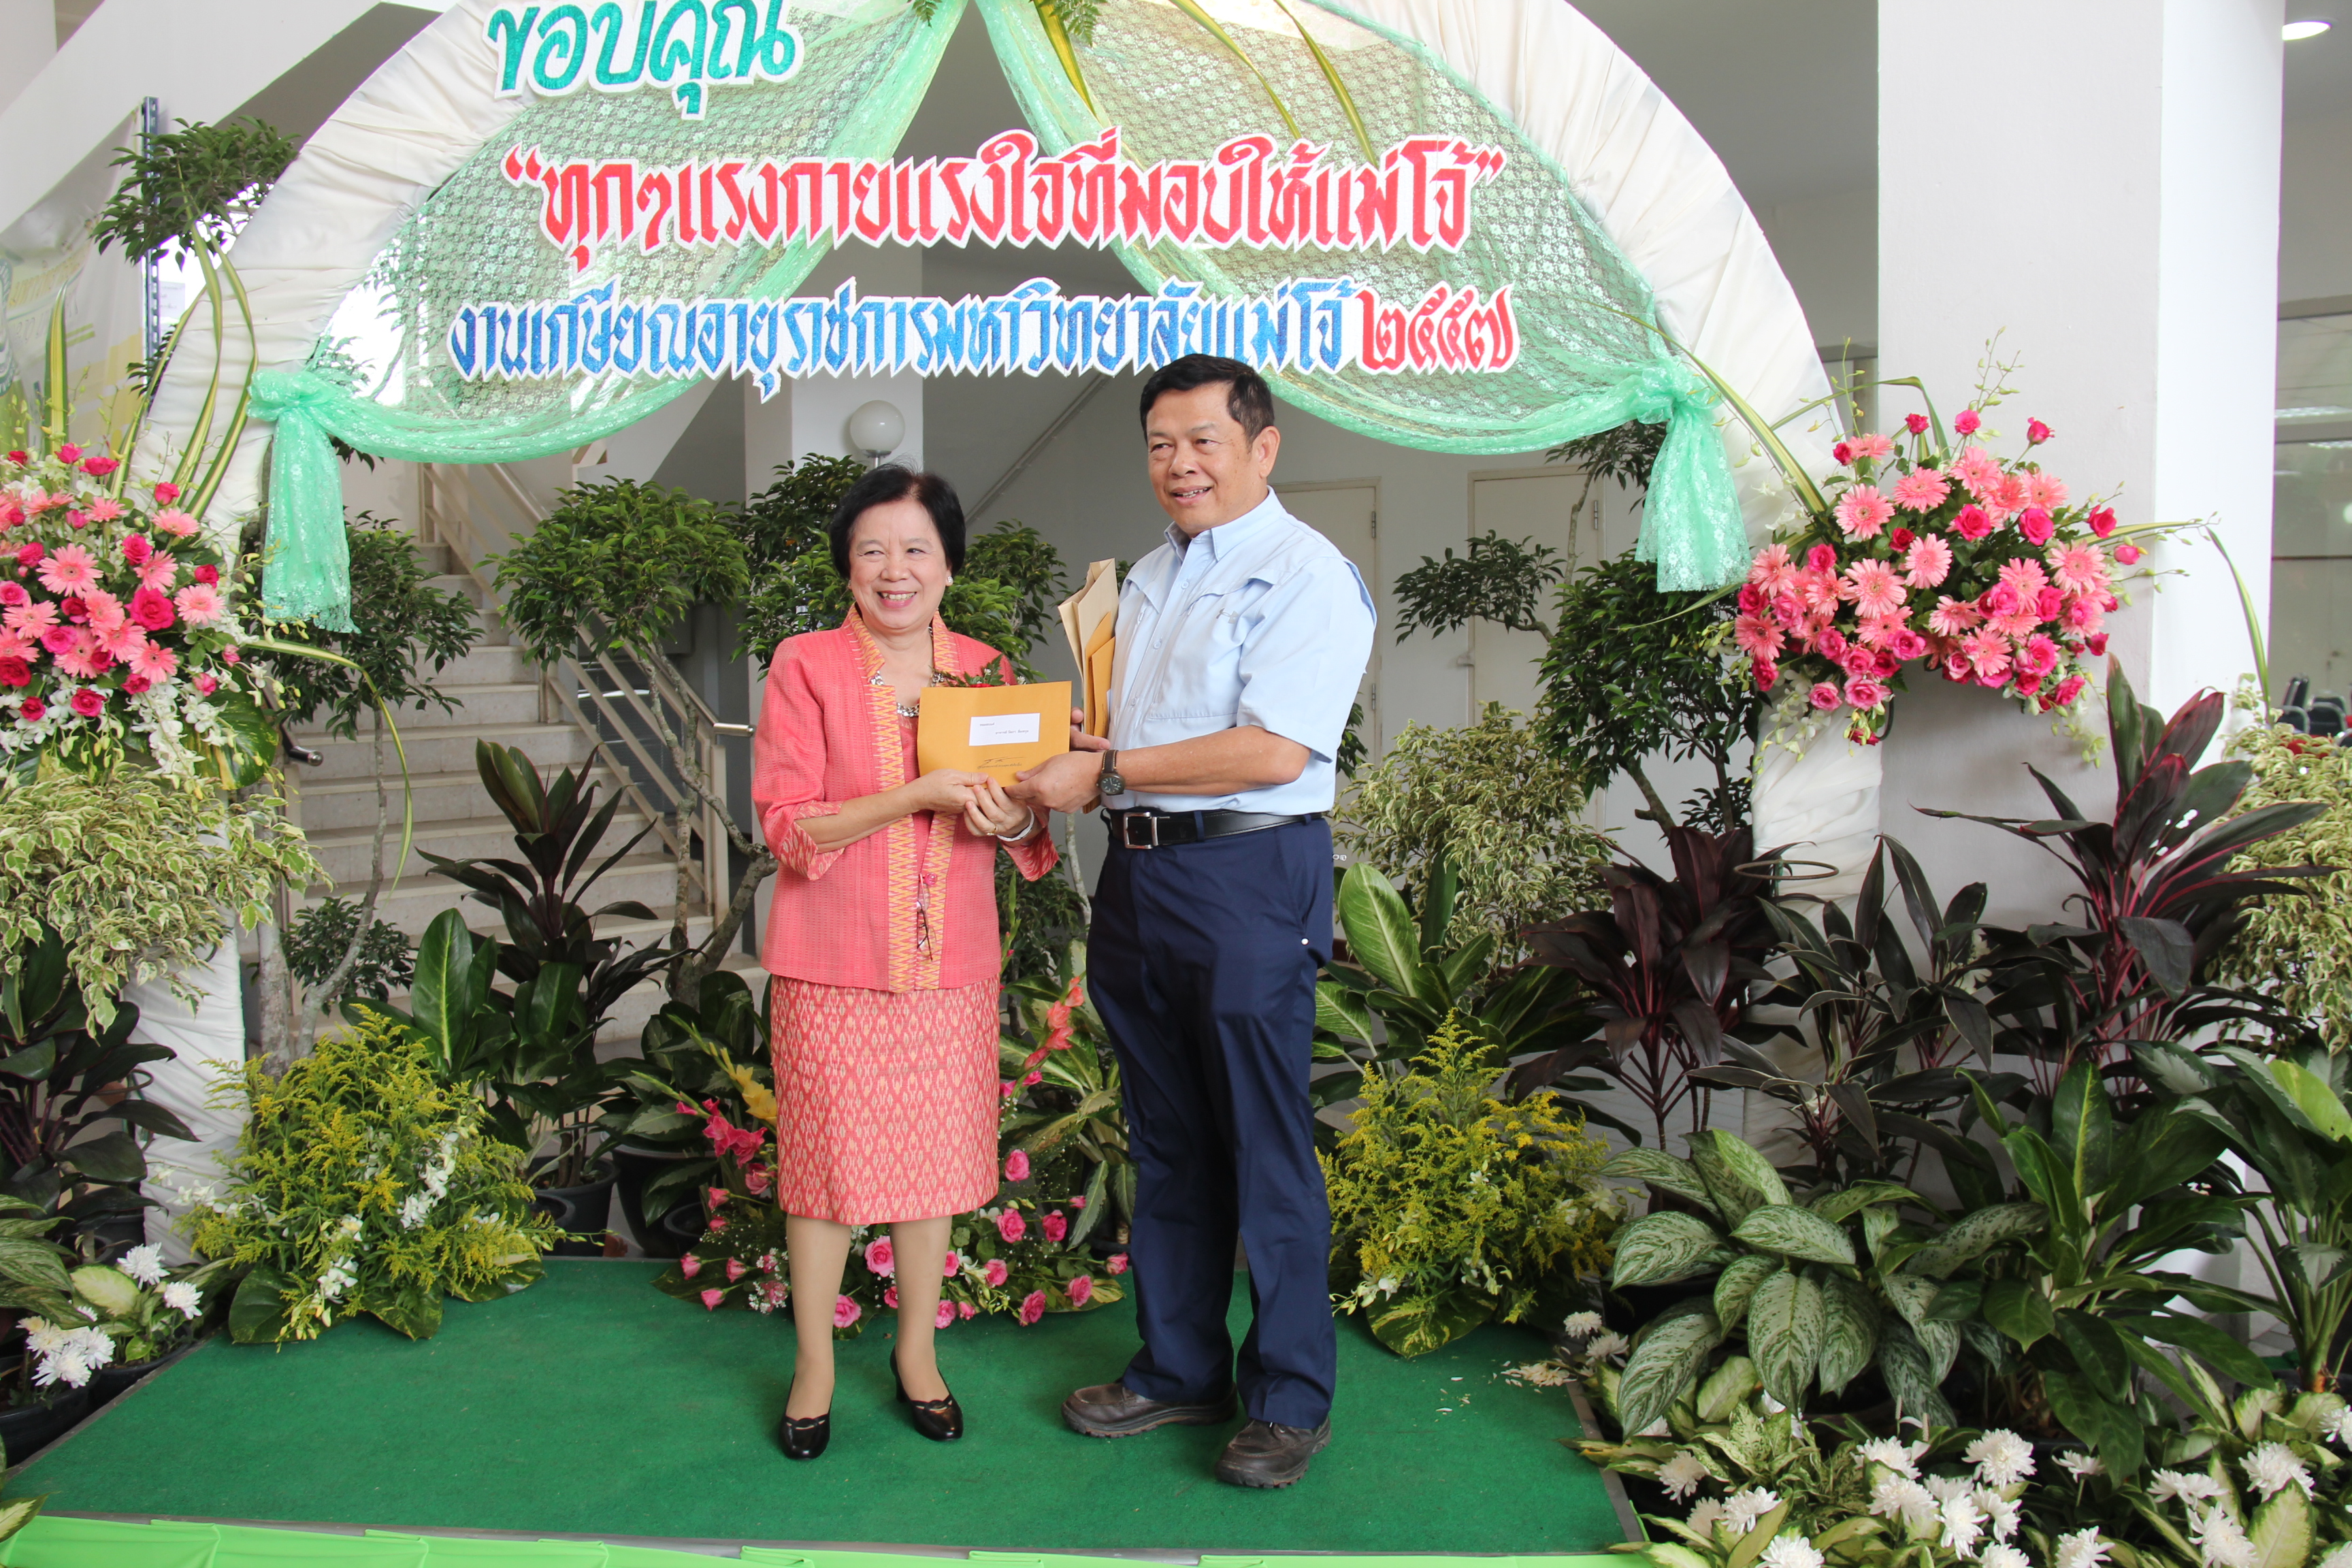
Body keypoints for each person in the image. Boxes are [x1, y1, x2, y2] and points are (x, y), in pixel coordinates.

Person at [1011, 355, 1375, 1489]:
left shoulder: (1306, 573)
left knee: (1264, 1141)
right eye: (1161, 444)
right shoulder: (1151, 578)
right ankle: (1178, 1369)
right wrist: (1082, 752)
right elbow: (1141, 736)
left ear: (1263, 448)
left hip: (1248, 872)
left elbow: (1273, 749)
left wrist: (1109, 767)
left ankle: (1290, 1400)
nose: (1180, 464)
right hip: (1143, 878)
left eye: (1204, 441)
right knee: (1166, 1135)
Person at [750, 463, 1059, 1460]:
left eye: (916, 549)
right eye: (873, 549)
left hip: (951, 966)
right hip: (830, 966)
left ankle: (917, 1356)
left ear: (948, 566)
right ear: (848, 565)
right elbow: (788, 826)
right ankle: (815, 1367)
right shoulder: (804, 665)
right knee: (824, 1173)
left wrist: (1012, 814)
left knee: (931, 1172)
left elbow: (1028, 831)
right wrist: (914, 795)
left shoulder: (989, 672)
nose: (896, 569)